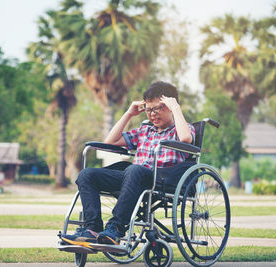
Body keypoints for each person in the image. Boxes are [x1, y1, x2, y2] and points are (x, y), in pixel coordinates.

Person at [61, 81, 195, 247]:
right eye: (149, 109)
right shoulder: (144, 130)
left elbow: (186, 139)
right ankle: (93, 229)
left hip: (161, 178)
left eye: (158, 108)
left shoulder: (182, 128)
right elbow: (110, 141)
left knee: (135, 170)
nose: (152, 114)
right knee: (87, 174)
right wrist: (129, 114)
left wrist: (176, 108)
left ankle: (115, 228)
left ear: (170, 106)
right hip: (131, 177)